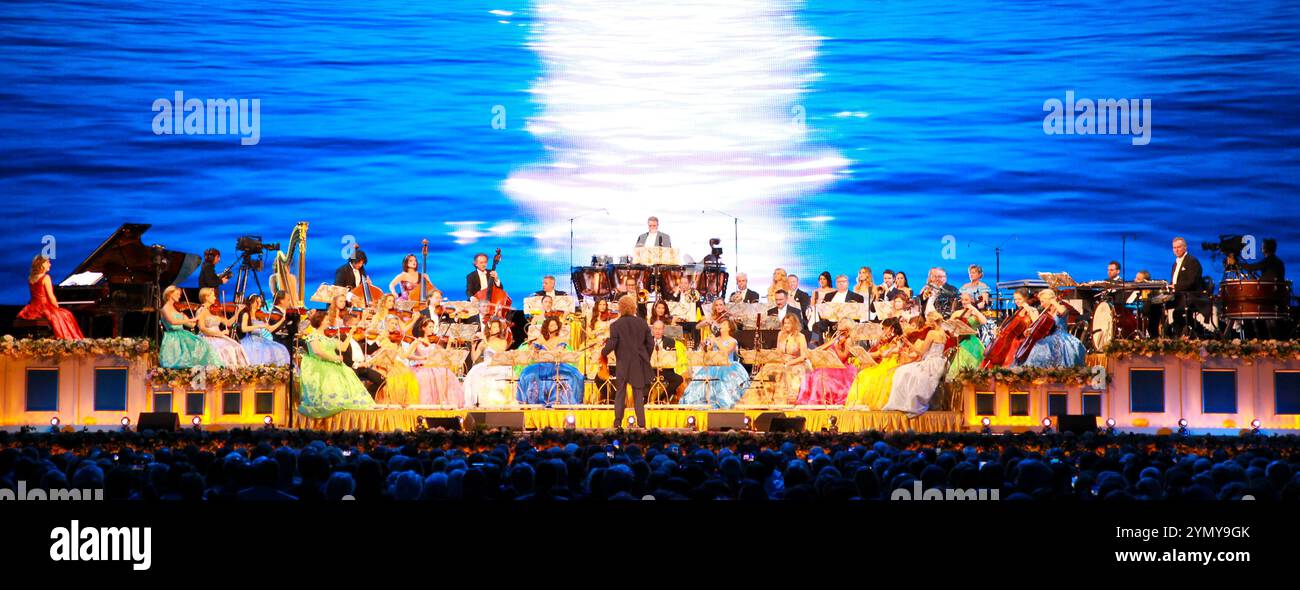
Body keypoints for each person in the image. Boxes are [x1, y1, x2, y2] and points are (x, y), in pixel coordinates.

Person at [297, 311, 375, 419]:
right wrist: (334, 358)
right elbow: (317, 352)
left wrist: (350, 333)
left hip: (333, 364)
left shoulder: (329, 337)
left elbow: (343, 347)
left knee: (347, 375)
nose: (329, 322)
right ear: (320, 321)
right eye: (326, 320)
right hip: (320, 366)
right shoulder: (313, 336)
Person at [601, 295, 653, 426]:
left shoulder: (616, 325)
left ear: (620, 308)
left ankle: (617, 422)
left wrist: (603, 352)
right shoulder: (642, 323)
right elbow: (650, 344)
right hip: (638, 363)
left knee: (620, 393)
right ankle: (641, 424)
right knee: (638, 395)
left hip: (623, 363)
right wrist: (645, 356)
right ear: (633, 307)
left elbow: (613, 343)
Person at [885, 311, 950, 416]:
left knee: (902, 372)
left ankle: (904, 403)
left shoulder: (932, 333)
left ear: (933, 322)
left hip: (930, 363)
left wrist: (908, 343)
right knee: (905, 371)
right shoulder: (943, 333)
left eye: (928, 321)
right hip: (939, 362)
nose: (926, 324)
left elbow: (921, 352)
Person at [680, 317, 749, 409]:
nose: (721, 326)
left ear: (729, 328)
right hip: (713, 365)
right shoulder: (715, 339)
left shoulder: (733, 341)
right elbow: (707, 352)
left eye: (724, 324)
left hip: (728, 366)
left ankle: (724, 403)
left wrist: (716, 341)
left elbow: (726, 352)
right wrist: (705, 346)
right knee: (701, 379)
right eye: (721, 324)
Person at [518, 316, 584, 406]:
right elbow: (532, 352)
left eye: (555, 324)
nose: (554, 326)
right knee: (525, 373)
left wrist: (544, 344)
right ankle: (526, 401)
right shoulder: (540, 339)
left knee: (577, 375)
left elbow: (558, 351)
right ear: (547, 327)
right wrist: (533, 347)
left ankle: (562, 401)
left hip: (556, 365)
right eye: (551, 324)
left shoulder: (561, 339)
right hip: (542, 365)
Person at [18, 255, 84, 340]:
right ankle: (67, 339)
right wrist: (57, 307)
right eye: (48, 262)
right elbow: (51, 296)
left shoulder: (31, 278)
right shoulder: (46, 277)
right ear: (42, 264)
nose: (50, 264)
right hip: (44, 307)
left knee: (62, 314)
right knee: (66, 314)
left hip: (32, 308)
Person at [844, 318, 905, 409]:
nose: (882, 331)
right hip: (883, 364)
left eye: (884, 328)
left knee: (872, 376)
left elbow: (889, 352)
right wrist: (862, 354)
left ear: (891, 329)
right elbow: (878, 353)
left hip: (892, 364)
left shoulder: (897, 340)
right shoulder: (885, 341)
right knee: (863, 374)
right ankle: (859, 404)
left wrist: (887, 352)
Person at [1016, 289, 1086, 368]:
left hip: (1062, 337)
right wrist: (1030, 330)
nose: (1041, 305)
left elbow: (1063, 311)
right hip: (1050, 337)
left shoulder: (1060, 307)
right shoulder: (1047, 313)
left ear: (1049, 300)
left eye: (1043, 301)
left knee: (1044, 347)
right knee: (1038, 346)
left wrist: (1054, 302)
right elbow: (1039, 325)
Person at [158, 286, 222, 368]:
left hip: (182, 335)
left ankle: (210, 370)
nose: (179, 296)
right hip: (173, 337)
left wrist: (201, 313)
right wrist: (188, 320)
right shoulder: (165, 309)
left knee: (202, 345)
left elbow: (192, 325)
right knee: (183, 360)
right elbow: (173, 321)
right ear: (169, 294)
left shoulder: (176, 309)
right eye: (177, 294)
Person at [796, 319, 858, 405]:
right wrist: (828, 344)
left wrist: (836, 347)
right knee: (809, 375)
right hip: (830, 365)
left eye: (841, 330)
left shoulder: (848, 340)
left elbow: (842, 358)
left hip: (840, 367)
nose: (838, 331)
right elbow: (821, 348)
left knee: (820, 376)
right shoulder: (838, 337)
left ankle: (821, 401)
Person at [408, 318, 466, 407]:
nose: (432, 329)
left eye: (433, 327)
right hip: (422, 368)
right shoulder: (417, 341)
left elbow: (445, 354)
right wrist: (421, 357)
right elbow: (408, 355)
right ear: (423, 328)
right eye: (430, 327)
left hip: (434, 367)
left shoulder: (434, 342)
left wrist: (449, 343)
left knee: (446, 377)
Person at [463, 318, 517, 407]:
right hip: (486, 365)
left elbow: (496, 353)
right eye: (494, 327)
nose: (496, 329)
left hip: (498, 365)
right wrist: (473, 346)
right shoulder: (484, 342)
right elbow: (474, 358)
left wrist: (485, 339)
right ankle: (478, 403)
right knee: (474, 374)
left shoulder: (502, 341)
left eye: (497, 327)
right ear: (490, 329)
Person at [982, 288, 1035, 368]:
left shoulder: (1032, 310)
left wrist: (1028, 309)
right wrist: (1000, 329)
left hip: (1018, 342)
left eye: (1019, 299)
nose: (1017, 301)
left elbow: (1036, 321)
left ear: (1026, 298)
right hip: (1010, 341)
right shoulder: (1017, 311)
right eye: (1015, 299)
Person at [195, 288, 247, 367]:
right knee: (224, 349)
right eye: (213, 296)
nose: (215, 298)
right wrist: (220, 333)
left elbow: (228, 323)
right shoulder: (201, 311)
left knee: (236, 346)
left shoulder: (216, 311)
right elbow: (202, 329)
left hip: (219, 336)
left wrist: (238, 311)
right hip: (208, 337)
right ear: (206, 297)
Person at [235, 294, 290, 365]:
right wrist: (259, 326)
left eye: (260, 302)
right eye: (257, 302)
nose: (259, 304)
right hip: (251, 340)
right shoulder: (246, 314)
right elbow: (244, 328)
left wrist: (282, 320)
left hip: (261, 340)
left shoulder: (260, 315)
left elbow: (270, 329)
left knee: (281, 348)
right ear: (251, 303)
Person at [945, 293, 987, 381]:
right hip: (960, 341)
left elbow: (984, 321)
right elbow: (949, 327)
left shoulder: (975, 313)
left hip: (974, 343)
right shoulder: (957, 313)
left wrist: (973, 309)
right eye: (962, 300)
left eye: (966, 300)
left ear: (972, 300)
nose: (964, 302)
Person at [649, 320, 686, 402]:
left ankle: (661, 399)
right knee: (640, 377)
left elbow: (672, 358)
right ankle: (645, 401)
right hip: (651, 370)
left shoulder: (670, 342)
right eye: (656, 329)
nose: (657, 331)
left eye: (660, 329)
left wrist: (664, 365)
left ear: (663, 330)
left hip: (665, 370)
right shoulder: (646, 342)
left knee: (678, 379)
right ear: (653, 330)